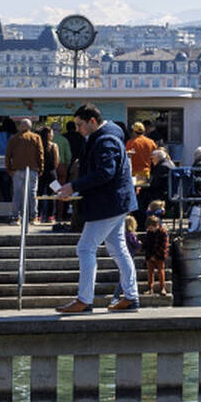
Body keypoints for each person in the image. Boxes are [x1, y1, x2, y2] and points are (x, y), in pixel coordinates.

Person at [54, 102, 141, 314]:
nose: (78, 129)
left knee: (85, 248)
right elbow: (105, 175)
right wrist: (74, 191)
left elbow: (105, 173)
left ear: (93, 121)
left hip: (108, 204)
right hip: (116, 201)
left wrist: (73, 186)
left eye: (80, 124)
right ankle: (131, 297)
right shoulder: (110, 135)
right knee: (118, 248)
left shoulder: (105, 140)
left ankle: (84, 300)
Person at [5, 117, 45, 231]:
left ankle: (15, 217)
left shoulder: (14, 139)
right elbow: (40, 155)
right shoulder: (36, 137)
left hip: (17, 170)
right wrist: (41, 168)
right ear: (30, 126)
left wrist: (9, 169)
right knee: (32, 193)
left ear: (20, 127)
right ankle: (34, 217)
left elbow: (8, 155)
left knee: (17, 193)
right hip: (32, 169)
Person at [141, 200, 171, 296]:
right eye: (149, 228)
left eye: (151, 228)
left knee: (161, 272)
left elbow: (164, 246)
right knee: (150, 272)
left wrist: (156, 255)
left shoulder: (163, 232)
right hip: (150, 255)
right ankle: (150, 288)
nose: (150, 230)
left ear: (156, 226)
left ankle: (162, 288)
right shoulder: (149, 233)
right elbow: (147, 243)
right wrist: (142, 248)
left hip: (159, 255)